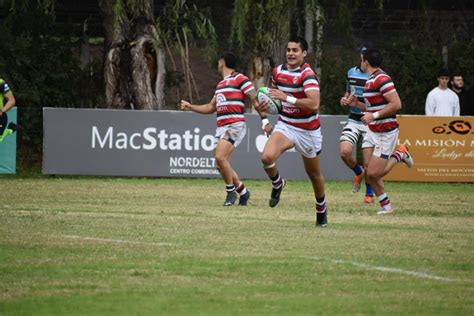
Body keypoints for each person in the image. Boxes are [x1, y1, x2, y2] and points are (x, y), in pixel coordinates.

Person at [255, 36, 328, 227]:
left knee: (314, 174)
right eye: (288, 50)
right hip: (286, 124)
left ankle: (321, 209)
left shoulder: (308, 75)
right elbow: (273, 100)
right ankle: (278, 184)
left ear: (304, 53)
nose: (290, 53)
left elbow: (314, 104)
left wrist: (287, 98)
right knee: (266, 157)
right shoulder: (278, 72)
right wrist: (264, 112)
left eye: (295, 50)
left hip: (308, 130)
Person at [341, 48, 414, 215]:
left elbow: (396, 104)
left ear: (366, 61)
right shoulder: (370, 79)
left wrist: (373, 116)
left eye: (361, 59)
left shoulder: (382, 79)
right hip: (372, 130)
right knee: (368, 170)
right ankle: (386, 206)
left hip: (385, 131)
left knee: (374, 173)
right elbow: (370, 106)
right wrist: (355, 104)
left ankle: (400, 154)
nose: (360, 61)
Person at [180, 52, 256, 207]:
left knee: (220, 157)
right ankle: (243, 191)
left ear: (222, 62)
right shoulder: (220, 85)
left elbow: (253, 96)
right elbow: (210, 107)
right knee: (220, 164)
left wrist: (265, 119)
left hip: (235, 125)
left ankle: (230, 193)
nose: (217, 64)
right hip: (221, 127)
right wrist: (190, 107)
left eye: (218, 62)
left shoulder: (240, 78)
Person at [339, 49, 374, 204]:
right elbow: (349, 92)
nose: (363, 58)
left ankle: (369, 193)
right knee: (345, 152)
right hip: (353, 120)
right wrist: (345, 99)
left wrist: (357, 104)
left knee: (368, 162)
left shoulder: (378, 76)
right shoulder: (351, 72)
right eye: (362, 54)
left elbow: (378, 107)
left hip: (370, 121)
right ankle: (358, 172)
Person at [0, 78, 19, 142]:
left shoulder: (1, 83)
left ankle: (10, 130)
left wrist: (2, 111)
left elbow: (12, 100)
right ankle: (10, 130)